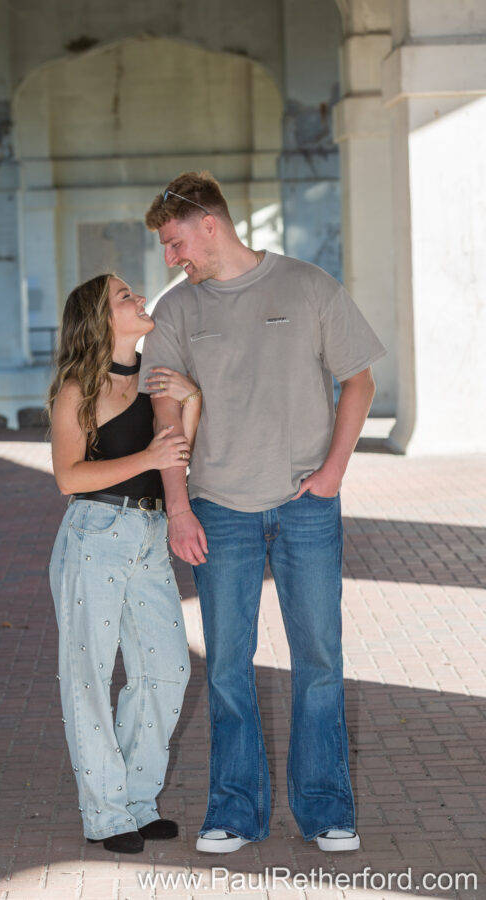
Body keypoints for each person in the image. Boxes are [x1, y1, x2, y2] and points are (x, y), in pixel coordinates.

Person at [139, 172, 386, 854]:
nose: (170, 257)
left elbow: (359, 377)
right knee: (226, 666)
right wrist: (179, 506)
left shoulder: (306, 287)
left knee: (319, 660)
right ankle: (234, 812)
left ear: (209, 225)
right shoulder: (177, 310)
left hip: (306, 506)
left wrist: (335, 470)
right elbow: (166, 418)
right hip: (220, 509)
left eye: (174, 241)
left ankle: (327, 810)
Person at [47, 273, 202, 854]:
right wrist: (147, 454)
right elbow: (68, 476)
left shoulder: (156, 377)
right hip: (96, 534)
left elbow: (180, 453)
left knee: (168, 670)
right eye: (123, 296)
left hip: (149, 533)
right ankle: (106, 814)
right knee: (88, 677)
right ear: (101, 319)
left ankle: (138, 801)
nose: (138, 298)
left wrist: (193, 399)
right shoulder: (77, 390)